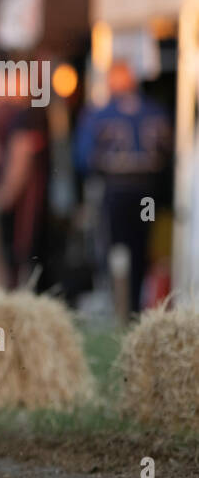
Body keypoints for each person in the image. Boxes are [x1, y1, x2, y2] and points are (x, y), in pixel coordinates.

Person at [74, 59, 173, 312]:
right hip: (147, 192)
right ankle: (138, 303)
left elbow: (83, 158)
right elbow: (169, 154)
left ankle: (122, 305)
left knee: (116, 248)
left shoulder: (100, 113)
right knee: (142, 246)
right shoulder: (155, 111)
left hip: (117, 189)